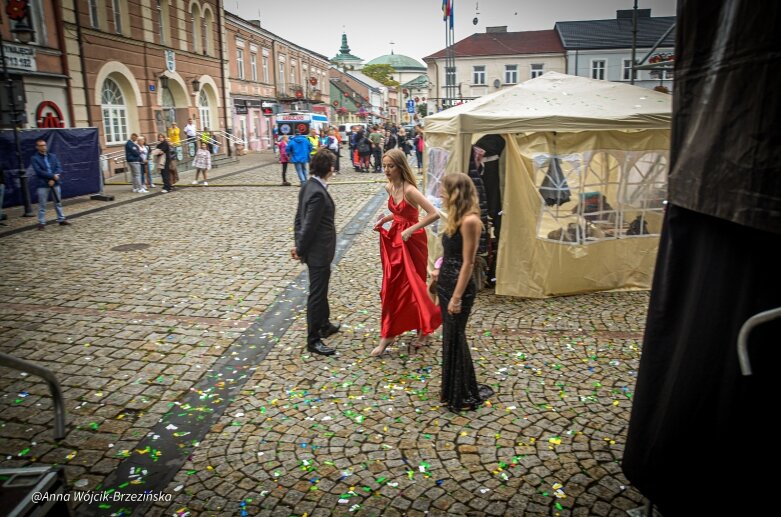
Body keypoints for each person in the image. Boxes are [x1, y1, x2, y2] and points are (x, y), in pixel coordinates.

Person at [432, 172, 494, 411]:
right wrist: (437, 272)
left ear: (456, 192)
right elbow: (448, 254)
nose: (440, 194)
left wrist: (457, 298)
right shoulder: (455, 217)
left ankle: (463, 391)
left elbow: (468, 263)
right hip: (447, 280)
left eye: (444, 190)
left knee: (456, 335)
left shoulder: (470, 221)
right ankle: (452, 389)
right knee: (450, 335)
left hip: (460, 285)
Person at [371, 148, 441, 356]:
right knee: (393, 285)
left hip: (412, 241)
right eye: (384, 166)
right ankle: (390, 332)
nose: (386, 170)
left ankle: (423, 328)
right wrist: (385, 219)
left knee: (414, 285)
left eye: (390, 166)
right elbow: (399, 213)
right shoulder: (389, 187)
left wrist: (411, 229)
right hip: (396, 239)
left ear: (400, 167)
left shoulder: (411, 190)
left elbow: (433, 214)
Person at [292, 148, 341, 356]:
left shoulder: (308, 186)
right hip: (319, 252)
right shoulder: (318, 193)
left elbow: (297, 220)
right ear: (330, 168)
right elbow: (308, 224)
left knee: (321, 289)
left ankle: (324, 324)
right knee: (317, 294)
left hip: (316, 251)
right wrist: (300, 248)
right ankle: (313, 339)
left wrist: (298, 244)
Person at [31, 139, 71, 230]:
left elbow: (58, 167)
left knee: (58, 202)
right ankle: (41, 223)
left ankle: (61, 219)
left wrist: (54, 178)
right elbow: (39, 171)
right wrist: (52, 176)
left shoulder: (52, 156)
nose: (43, 147)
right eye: (41, 145)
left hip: (55, 183)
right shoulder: (35, 158)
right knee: (42, 204)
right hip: (42, 184)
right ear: (37, 147)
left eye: (44, 145)